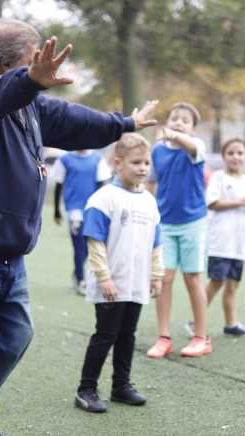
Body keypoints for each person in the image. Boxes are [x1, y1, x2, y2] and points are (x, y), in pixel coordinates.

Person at [0, 20, 158, 436]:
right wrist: (29, 79)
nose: (42, 70)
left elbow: (70, 119)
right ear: (6, 63)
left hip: (10, 253)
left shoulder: (27, 104)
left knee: (15, 339)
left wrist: (125, 123)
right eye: (33, 62)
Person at [73, 133, 162, 413]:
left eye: (146, 162)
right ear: (118, 163)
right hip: (111, 283)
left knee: (128, 334)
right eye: (136, 162)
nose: (143, 168)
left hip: (136, 282)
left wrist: (156, 274)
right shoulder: (103, 199)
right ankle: (86, 389)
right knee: (106, 334)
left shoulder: (149, 200)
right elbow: (95, 242)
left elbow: (155, 243)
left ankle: (121, 386)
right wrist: (104, 277)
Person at [146, 102, 211, 359]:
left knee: (193, 278)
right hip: (165, 223)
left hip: (193, 222)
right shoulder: (157, 151)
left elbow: (190, 145)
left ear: (193, 129)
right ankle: (164, 337)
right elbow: (151, 184)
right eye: (174, 118)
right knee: (163, 280)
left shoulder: (197, 148)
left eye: (185, 120)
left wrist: (176, 135)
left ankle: (201, 337)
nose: (179, 122)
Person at [204, 138, 245, 337]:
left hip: (238, 244)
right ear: (223, 156)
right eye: (231, 153)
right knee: (216, 281)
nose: (235, 157)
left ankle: (231, 324)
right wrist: (241, 201)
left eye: (240, 153)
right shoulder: (218, 177)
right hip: (221, 242)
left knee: (233, 284)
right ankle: (196, 320)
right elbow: (212, 203)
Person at [52, 148, 112, 295]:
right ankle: (80, 280)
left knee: (89, 247)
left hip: (92, 210)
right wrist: (57, 210)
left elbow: (102, 184)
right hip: (75, 211)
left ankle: (78, 271)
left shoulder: (97, 159)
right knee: (79, 247)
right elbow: (58, 185)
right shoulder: (64, 159)